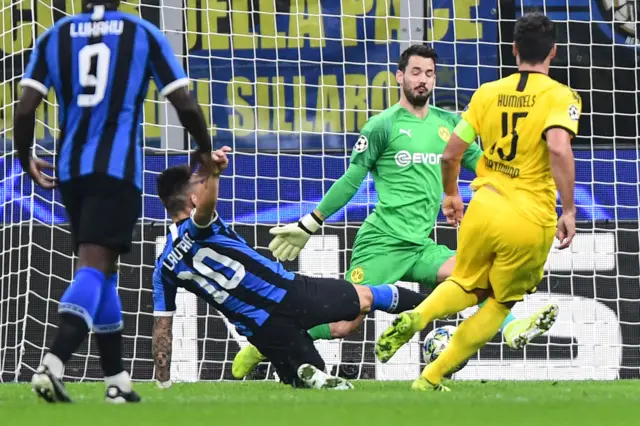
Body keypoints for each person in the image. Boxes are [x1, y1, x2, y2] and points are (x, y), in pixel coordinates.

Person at [232, 44, 558, 379]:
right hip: (382, 242)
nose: (423, 80)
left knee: (480, 279)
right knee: (345, 324)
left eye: (429, 74)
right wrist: (311, 221)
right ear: (399, 76)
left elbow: (490, 168)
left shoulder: (449, 124)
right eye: (416, 72)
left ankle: (512, 328)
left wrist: (535, 195)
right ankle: (262, 345)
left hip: (420, 246)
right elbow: (350, 179)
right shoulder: (382, 126)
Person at [14, 0, 213, 403]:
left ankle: (117, 381)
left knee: (102, 270)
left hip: (69, 170)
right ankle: (51, 365)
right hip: (116, 171)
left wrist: (24, 157)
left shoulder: (54, 35)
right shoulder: (141, 32)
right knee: (93, 267)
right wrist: (204, 150)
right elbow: (185, 104)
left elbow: (24, 110)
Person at [375, 12, 581, 391]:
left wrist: (452, 194)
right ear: (553, 52)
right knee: (500, 303)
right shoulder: (561, 96)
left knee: (466, 283)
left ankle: (417, 317)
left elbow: (451, 153)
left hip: (483, 207)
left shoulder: (487, 93)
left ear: (514, 49)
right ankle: (430, 377)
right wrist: (568, 210)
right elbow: (557, 146)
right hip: (528, 216)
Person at [152, 148, 428, 389]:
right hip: (290, 293)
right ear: (193, 201)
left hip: (261, 330)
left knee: (312, 374)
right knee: (366, 297)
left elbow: (162, 328)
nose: (205, 189)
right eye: (200, 186)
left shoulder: (163, 266)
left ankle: (302, 372)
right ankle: (432, 306)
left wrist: (163, 381)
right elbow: (204, 210)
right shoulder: (200, 226)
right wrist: (214, 173)